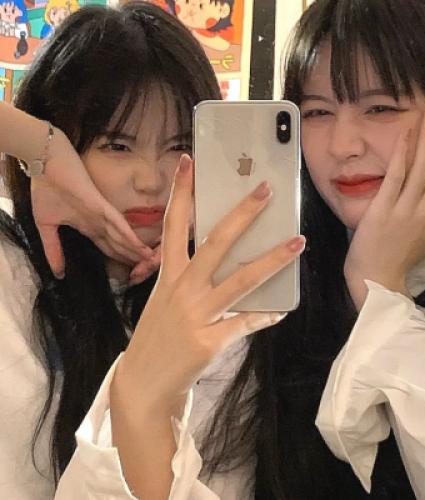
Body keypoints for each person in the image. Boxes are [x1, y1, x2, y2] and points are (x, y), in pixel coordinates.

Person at [51, 0, 425, 499]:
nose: (342, 145)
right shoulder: (273, 292)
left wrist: (380, 289)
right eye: (317, 112)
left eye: (380, 108)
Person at [0, 2, 264, 497]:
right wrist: (36, 144)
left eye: (180, 145)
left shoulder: (229, 309)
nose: (152, 180)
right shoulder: (11, 275)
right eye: (117, 146)